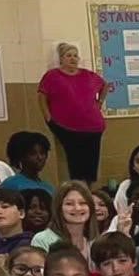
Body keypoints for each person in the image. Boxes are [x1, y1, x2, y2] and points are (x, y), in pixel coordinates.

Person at [36, 42, 107, 182]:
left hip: (93, 127)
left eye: (75, 56)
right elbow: (42, 96)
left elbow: (105, 86)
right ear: (61, 59)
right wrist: (48, 117)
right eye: (69, 55)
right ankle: (76, 191)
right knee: (75, 165)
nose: (73, 59)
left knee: (91, 166)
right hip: (66, 127)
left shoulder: (88, 75)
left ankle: (88, 194)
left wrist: (99, 103)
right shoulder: (52, 76)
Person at [2, 131, 54, 196]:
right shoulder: (11, 184)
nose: (39, 157)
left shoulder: (49, 187)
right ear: (21, 156)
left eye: (42, 153)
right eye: (33, 153)